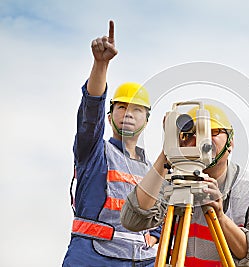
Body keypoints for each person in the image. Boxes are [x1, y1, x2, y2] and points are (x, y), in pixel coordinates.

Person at [120, 104, 249, 266]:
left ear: (230, 143)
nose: (201, 140)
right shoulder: (173, 181)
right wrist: (167, 153)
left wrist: (220, 217)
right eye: (190, 135)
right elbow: (133, 221)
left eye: (213, 132)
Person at [62, 20, 160, 267]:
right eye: (122, 107)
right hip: (92, 256)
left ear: (146, 120)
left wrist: (157, 237)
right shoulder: (94, 151)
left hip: (142, 260)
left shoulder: (154, 169)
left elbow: (162, 213)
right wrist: (101, 64)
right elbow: (90, 111)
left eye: (137, 110)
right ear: (109, 116)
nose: (128, 113)